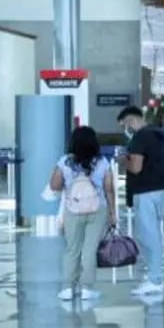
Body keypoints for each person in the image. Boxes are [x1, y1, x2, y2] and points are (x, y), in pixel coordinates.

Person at [48, 126, 116, 301]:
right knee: (90, 250)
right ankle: (87, 289)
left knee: (72, 249)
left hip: (73, 209)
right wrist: (112, 213)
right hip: (98, 209)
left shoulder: (65, 162)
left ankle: (67, 288)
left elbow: (54, 186)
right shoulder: (102, 162)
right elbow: (109, 189)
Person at [118, 106, 164, 297]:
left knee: (149, 237)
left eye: (125, 124)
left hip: (145, 191)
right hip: (159, 189)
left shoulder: (140, 137)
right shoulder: (156, 134)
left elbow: (136, 167)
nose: (126, 129)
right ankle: (154, 277)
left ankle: (155, 279)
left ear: (131, 120)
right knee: (153, 235)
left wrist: (124, 160)